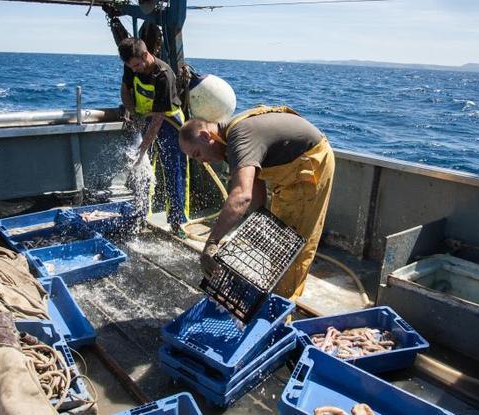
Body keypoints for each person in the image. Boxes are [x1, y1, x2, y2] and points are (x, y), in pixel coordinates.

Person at [178, 106, 335, 300]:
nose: (202, 162)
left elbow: (242, 196)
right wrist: (257, 228)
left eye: (197, 154)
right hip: (288, 176)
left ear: (205, 136)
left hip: (309, 169)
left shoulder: (239, 138)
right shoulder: (228, 139)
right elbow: (255, 189)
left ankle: (279, 314)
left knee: (292, 248)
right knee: (277, 238)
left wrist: (212, 242)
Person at [118, 37, 188, 234]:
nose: (134, 70)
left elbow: (158, 119)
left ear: (146, 55)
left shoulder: (163, 75)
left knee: (173, 170)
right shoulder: (131, 66)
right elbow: (125, 90)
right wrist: (132, 111)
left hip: (169, 123)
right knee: (144, 172)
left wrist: (143, 149)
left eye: (136, 65)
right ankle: (141, 216)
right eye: (130, 66)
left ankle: (177, 223)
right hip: (145, 118)